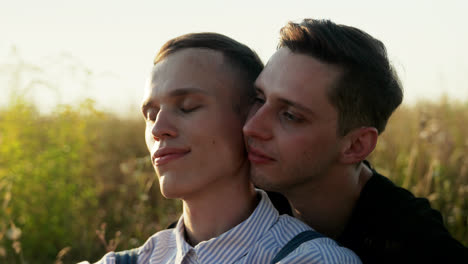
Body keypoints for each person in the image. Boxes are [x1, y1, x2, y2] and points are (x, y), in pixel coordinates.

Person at [89, 32, 361, 263]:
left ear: (250, 120)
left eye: (187, 107)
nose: (159, 129)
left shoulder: (311, 258)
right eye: (150, 113)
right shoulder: (128, 260)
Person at [243, 19, 468, 263]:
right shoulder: (236, 196)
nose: (251, 127)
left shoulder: (415, 245)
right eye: (258, 98)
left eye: (291, 115)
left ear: (356, 145)